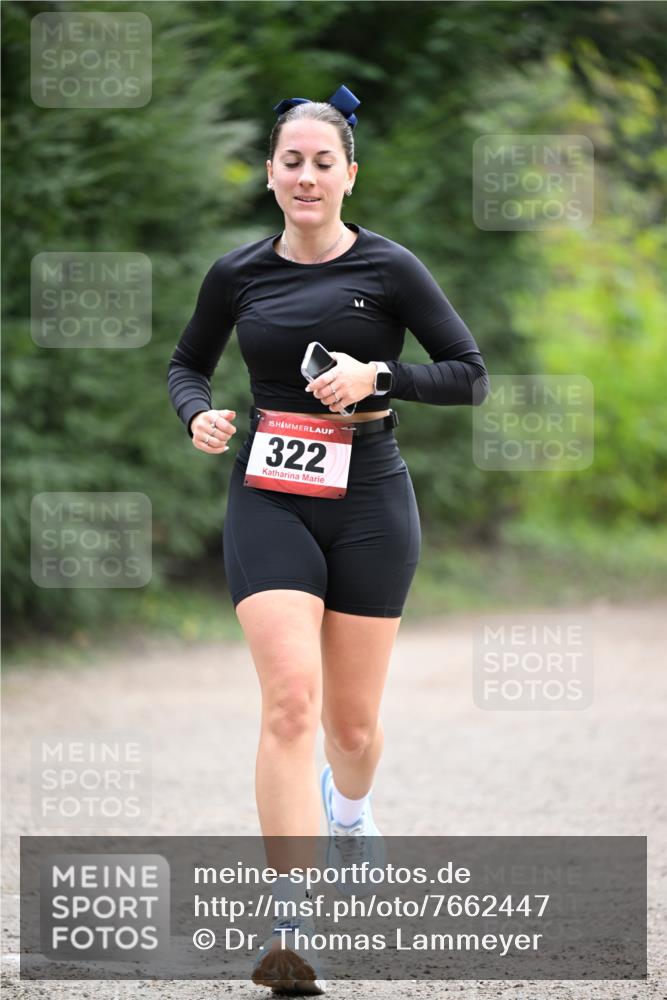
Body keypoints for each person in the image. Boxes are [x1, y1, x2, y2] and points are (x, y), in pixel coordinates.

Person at [167, 84, 489, 996]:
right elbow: (187, 363)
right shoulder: (237, 274)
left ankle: (348, 811)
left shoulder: (389, 267)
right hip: (268, 494)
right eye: (291, 161)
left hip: (369, 499)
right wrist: (197, 414)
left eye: (323, 162)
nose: (306, 176)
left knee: (350, 729)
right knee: (289, 705)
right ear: (269, 175)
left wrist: (378, 373)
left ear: (350, 174)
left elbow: (469, 375)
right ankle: (289, 928)